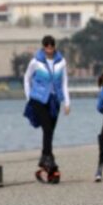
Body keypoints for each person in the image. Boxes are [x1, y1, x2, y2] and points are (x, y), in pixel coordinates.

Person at [23, 35, 71, 183]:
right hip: (38, 100)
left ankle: (44, 164)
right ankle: (49, 161)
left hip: (54, 101)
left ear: (54, 46)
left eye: (51, 45)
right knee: (47, 129)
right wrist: (29, 97)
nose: (49, 48)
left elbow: (64, 83)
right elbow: (26, 78)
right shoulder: (36, 61)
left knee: (50, 132)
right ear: (43, 46)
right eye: (46, 45)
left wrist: (67, 102)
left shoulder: (61, 62)